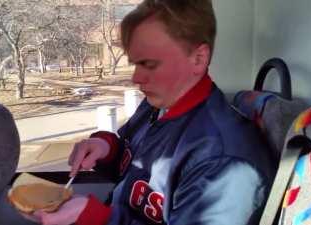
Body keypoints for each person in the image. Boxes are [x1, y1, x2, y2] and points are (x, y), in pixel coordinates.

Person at [25, 0, 276, 224]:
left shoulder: (225, 163)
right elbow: (134, 169)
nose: (136, 78)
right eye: (136, 63)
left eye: (150, 64)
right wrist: (107, 150)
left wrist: (97, 218)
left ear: (198, 59)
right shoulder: (155, 106)